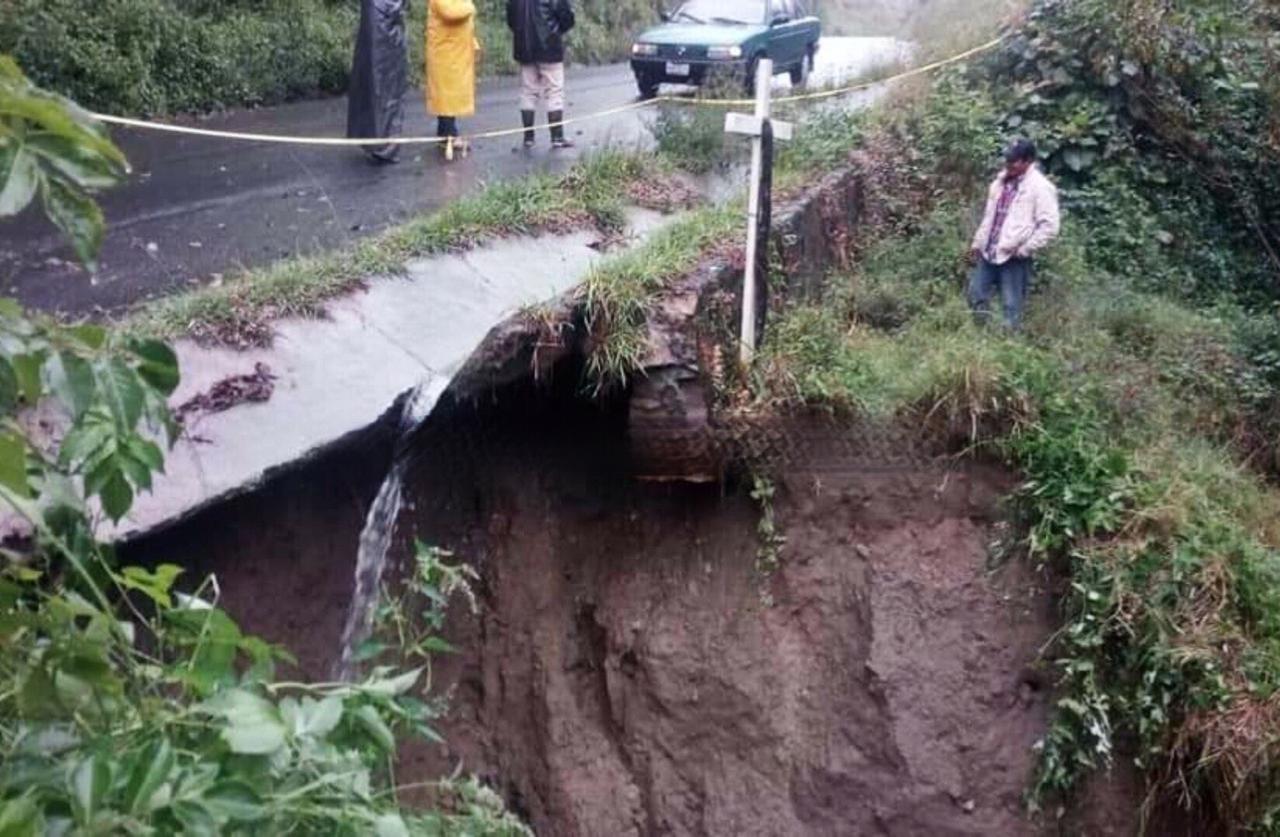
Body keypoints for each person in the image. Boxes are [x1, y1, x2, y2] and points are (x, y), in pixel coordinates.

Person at [968, 138, 1061, 330]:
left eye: (1014, 160)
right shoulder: (999, 183)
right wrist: (978, 242)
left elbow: (1050, 226)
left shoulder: (1040, 187)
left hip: (1014, 255)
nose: (1008, 164)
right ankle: (979, 337)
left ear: (1027, 162)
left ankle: (1008, 345)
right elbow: (989, 217)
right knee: (976, 295)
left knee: (1011, 306)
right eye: (1007, 159)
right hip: (989, 251)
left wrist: (1026, 249)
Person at [507, 0, 576, 149]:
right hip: (549, 45)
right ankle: (557, 137)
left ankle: (528, 138)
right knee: (554, 91)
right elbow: (566, 16)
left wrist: (521, 34)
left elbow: (511, 19)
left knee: (528, 92)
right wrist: (556, 31)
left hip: (523, 46)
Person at [347, 0, 409, 164]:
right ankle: (384, 144)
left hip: (378, 27)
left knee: (377, 86)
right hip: (386, 30)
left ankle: (376, 140)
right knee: (387, 89)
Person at [426, 0, 479, 158]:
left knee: (449, 97)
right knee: (446, 97)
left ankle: (446, 134)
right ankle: (449, 135)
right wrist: (470, 7)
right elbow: (450, 12)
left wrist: (473, 42)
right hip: (445, 54)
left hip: (454, 53)